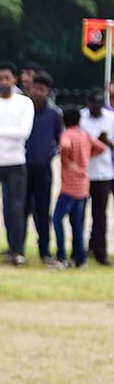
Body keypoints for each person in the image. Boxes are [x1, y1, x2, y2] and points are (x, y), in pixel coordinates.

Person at [0, 62, 34, 264]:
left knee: (15, 208)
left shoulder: (24, 103)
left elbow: (24, 133)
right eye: (0, 79)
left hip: (15, 161)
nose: (3, 82)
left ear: (14, 79)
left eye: (7, 78)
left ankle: (17, 250)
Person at [52, 107, 107, 268]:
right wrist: (87, 157)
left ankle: (61, 256)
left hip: (69, 186)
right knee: (76, 222)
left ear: (64, 121)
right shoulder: (85, 135)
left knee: (57, 220)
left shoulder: (67, 134)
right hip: (83, 185)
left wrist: (67, 160)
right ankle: (80, 259)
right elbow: (101, 147)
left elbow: (65, 145)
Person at [23, 72, 61, 265]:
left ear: (47, 92)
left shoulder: (54, 114)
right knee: (21, 209)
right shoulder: (23, 109)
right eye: (35, 88)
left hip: (43, 169)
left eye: (42, 89)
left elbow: (60, 141)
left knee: (43, 211)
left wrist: (49, 154)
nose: (38, 92)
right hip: (21, 168)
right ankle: (17, 250)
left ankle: (44, 250)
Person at [78, 90, 114, 266]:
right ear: (88, 103)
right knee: (79, 214)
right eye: (94, 105)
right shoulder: (81, 118)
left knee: (100, 216)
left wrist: (107, 143)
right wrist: (95, 143)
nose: (97, 109)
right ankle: (78, 251)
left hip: (104, 173)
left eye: (100, 105)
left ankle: (101, 253)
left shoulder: (110, 118)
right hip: (83, 173)